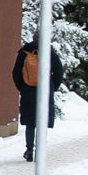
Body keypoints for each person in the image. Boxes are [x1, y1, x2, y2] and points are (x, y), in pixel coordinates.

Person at [11, 35, 64, 163]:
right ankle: (39, 151)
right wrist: (52, 87)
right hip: (45, 91)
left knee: (30, 123)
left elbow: (16, 72)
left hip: (28, 91)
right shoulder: (50, 52)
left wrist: (22, 87)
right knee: (42, 122)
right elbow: (59, 72)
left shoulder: (24, 52)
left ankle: (29, 150)